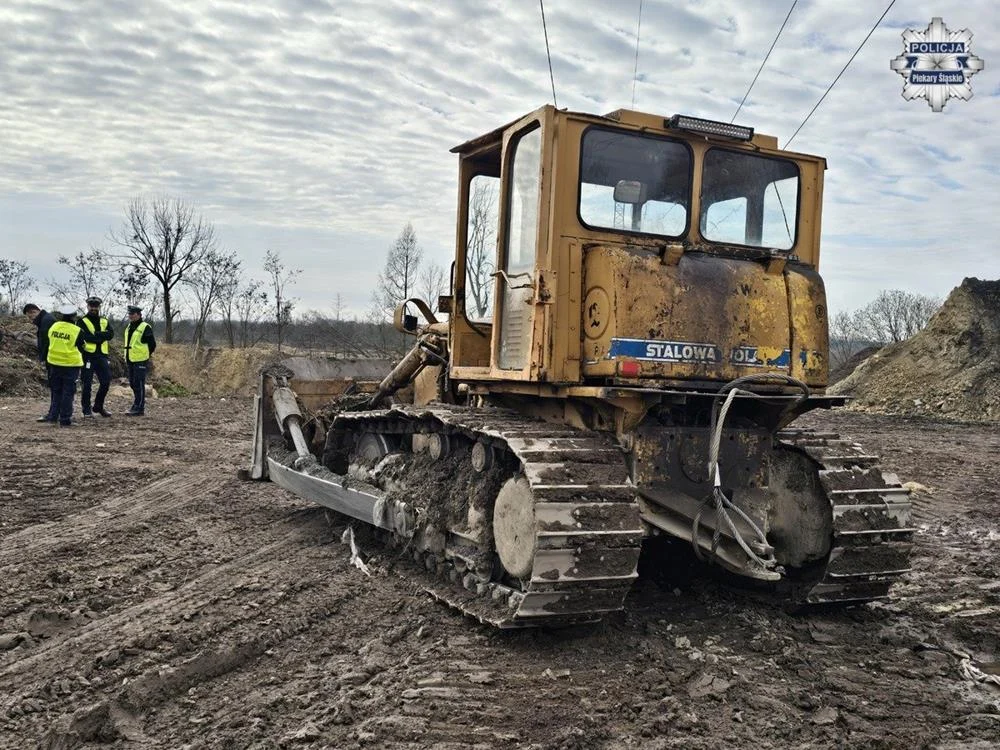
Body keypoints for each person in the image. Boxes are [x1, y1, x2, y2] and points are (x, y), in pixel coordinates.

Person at [46, 305, 86, 427]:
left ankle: (53, 416)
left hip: (54, 363)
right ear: (74, 316)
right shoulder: (77, 330)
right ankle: (65, 419)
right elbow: (82, 347)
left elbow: (49, 340)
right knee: (68, 392)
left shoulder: (54, 326)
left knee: (56, 390)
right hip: (70, 365)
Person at [77, 296, 114, 417]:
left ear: (99, 307)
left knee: (106, 381)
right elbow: (86, 337)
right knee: (86, 384)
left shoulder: (104, 320)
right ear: (87, 306)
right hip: (88, 356)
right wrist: (101, 337)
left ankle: (98, 406)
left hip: (102, 356)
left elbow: (110, 334)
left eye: (96, 306)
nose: (94, 308)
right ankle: (86, 410)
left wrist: (96, 335)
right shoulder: (82, 321)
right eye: (91, 306)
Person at [23, 303, 58, 423]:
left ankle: (54, 414)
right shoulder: (46, 319)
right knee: (55, 387)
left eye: (30, 316)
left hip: (53, 359)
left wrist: (44, 358)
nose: (30, 319)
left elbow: (47, 342)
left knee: (55, 387)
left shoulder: (46, 321)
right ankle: (54, 413)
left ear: (35, 311)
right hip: (53, 358)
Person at [123, 305, 156, 416]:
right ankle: (136, 404)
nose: (130, 316)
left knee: (139, 383)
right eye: (129, 314)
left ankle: (139, 407)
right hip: (130, 359)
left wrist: (145, 355)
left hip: (140, 360)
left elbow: (152, 344)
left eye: (133, 314)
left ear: (139, 314)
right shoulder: (129, 327)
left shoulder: (145, 327)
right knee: (133, 383)